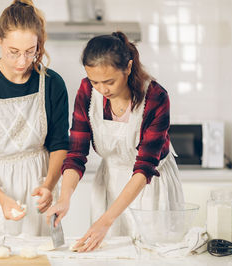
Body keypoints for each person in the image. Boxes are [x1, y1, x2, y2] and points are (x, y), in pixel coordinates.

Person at [46, 32, 184, 251]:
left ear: (128, 68)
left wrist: (106, 220)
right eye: (95, 81)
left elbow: (145, 167)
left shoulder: (155, 97)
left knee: (150, 252)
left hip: (149, 185)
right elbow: (76, 154)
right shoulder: (87, 91)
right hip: (110, 180)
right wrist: (64, 197)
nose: (102, 89)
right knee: (110, 253)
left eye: (109, 81)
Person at [0, 0, 69, 236]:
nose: (22, 61)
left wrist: (49, 185)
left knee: (41, 256)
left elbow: (59, 144)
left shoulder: (52, 84)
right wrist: (1, 198)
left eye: (31, 52)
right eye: (14, 52)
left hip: (39, 185)